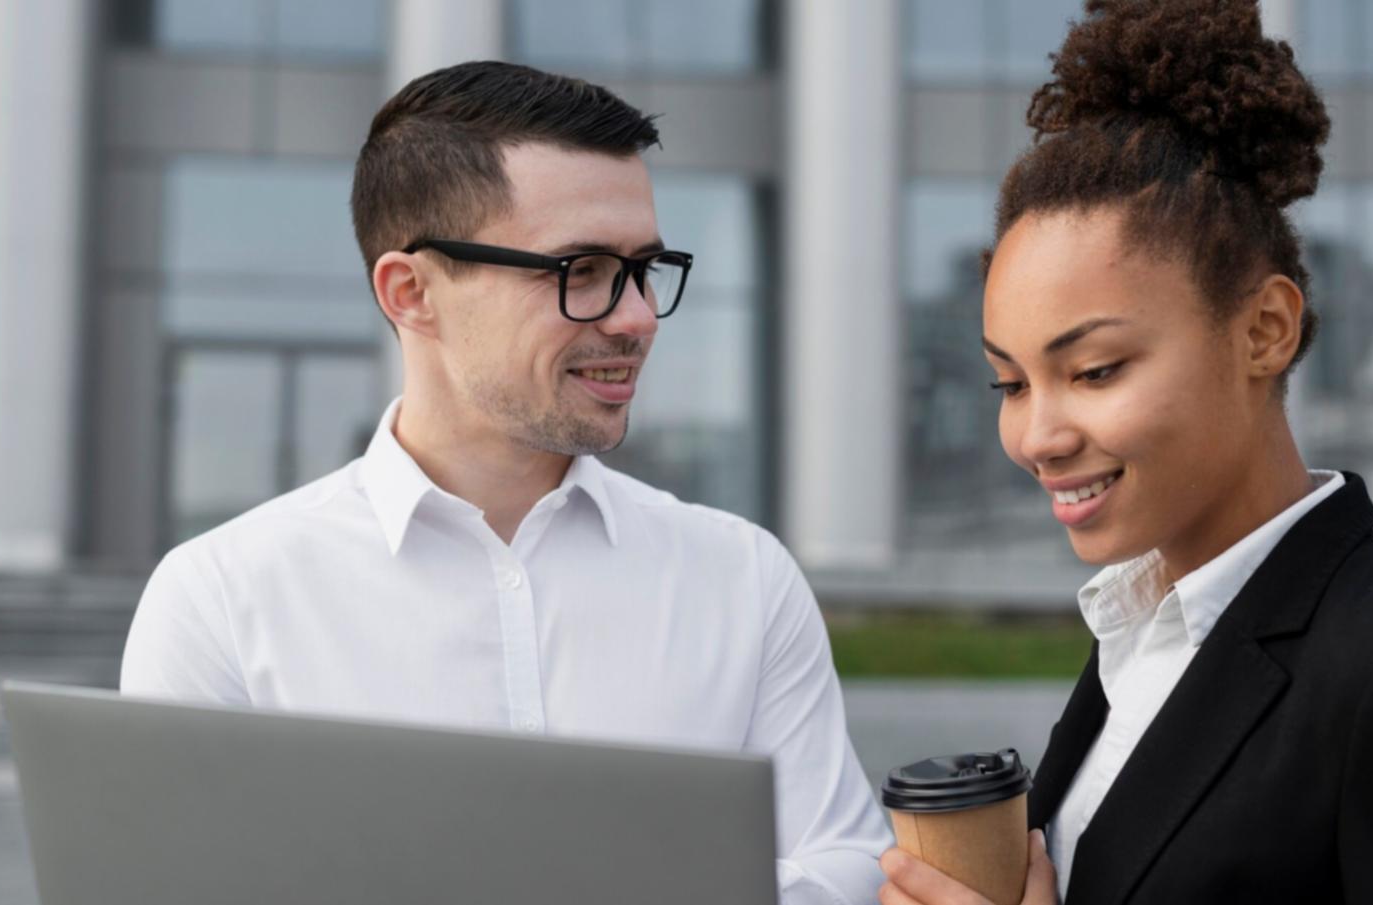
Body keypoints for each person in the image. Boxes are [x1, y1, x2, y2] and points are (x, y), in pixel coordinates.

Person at [120, 61, 890, 904]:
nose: (634, 316)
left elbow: (845, 866)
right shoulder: (220, 599)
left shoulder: (743, 579)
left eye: (644, 269)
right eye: (581, 270)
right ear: (411, 291)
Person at [878, 1, 1373, 903]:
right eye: (1011, 383)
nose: (1037, 436)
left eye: (1095, 369)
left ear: (1263, 329)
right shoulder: (1145, 634)